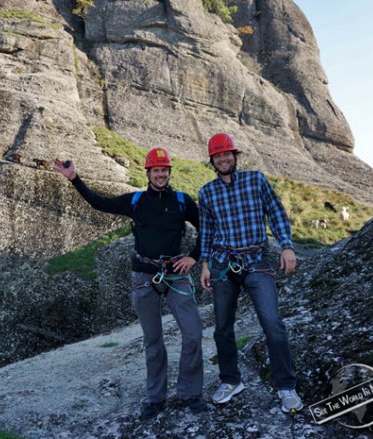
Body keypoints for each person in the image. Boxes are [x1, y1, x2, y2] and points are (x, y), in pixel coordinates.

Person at [54, 148, 204, 420]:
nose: (160, 174)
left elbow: (207, 228)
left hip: (175, 273)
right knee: (153, 340)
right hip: (144, 275)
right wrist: (74, 178)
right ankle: (155, 398)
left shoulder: (183, 202)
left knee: (193, 333)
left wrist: (194, 258)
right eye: (156, 170)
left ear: (169, 173)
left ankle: (190, 393)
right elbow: (99, 203)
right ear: (148, 173)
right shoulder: (136, 201)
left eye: (164, 170)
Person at [198, 133, 304, 413]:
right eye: (217, 155)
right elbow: (207, 232)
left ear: (235, 156)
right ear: (212, 160)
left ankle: (286, 386)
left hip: (256, 260)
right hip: (223, 263)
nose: (223, 158)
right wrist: (206, 264)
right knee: (222, 327)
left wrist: (286, 246)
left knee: (272, 323)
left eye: (227, 154)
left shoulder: (256, 180)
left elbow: (277, 213)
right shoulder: (206, 192)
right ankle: (231, 380)